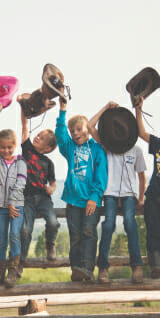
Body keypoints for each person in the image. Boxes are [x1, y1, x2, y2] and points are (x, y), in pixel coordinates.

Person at [88, 101, 146, 284]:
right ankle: (103, 267)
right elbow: (90, 126)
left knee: (130, 223)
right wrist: (105, 108)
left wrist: (141, 197)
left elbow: (142, 176)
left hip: (129, 194)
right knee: (108, 225)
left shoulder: (136, 150)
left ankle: (136, 266)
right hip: (110, 193)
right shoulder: (106, 147)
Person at [55, 97, 108, 281]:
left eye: (79, 129)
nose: (75, 133)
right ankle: (76, 269)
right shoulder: (69, 148)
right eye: (73, 131)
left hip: (90, 202)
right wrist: (62, 110)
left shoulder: (97, 149)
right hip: (72, 200)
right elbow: (60, 135)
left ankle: (87, 269)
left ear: (88, 130)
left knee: (89, 233)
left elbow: (101, 177)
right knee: (75, 236)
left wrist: (95, 196)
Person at [18, 100, 60, 278]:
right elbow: (24, 127)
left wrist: (51, 188)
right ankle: (20, 262)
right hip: (26, 197)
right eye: (38, 135)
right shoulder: (27, 150)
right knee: (25, 230)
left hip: (43, 199)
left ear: (48, 148)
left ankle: (50, 243)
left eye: (41, 138)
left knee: (53, 222)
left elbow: (53, 183)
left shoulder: (48, 163)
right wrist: (22, 107)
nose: (37, 137)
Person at [0, 107, 27, 288]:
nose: (5, 150)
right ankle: (0, 271)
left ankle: (13, 271)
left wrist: (12, 203)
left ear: (15, 145)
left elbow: (21, 183)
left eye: (9, 147)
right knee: (2, 238)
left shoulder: (21, 162)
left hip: (16, 205)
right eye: (2, 147)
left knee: (14, 235)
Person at [135, 97, 160, 278]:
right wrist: (139, 110)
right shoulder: (159, 144)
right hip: (154, 196)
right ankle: (155, 266)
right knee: (153, 232)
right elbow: (141, 132)